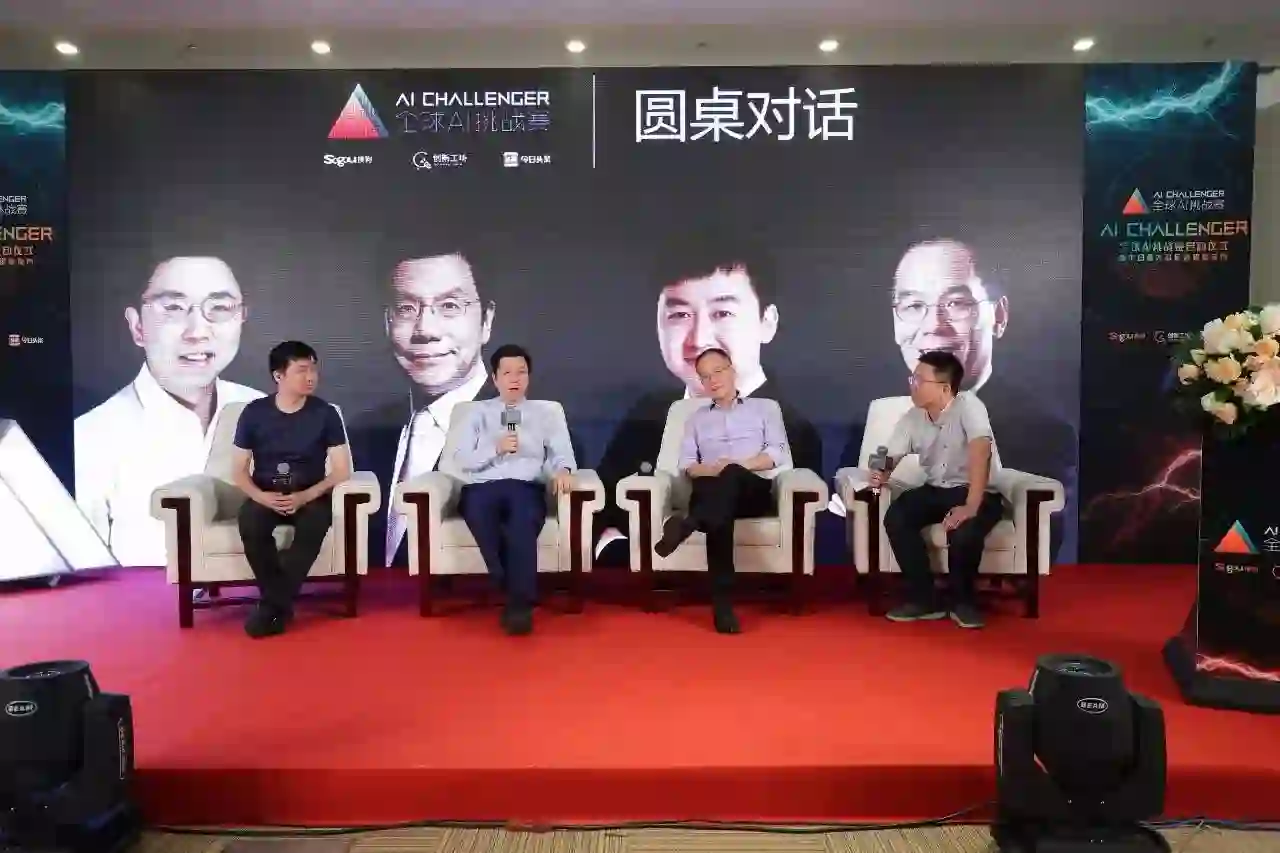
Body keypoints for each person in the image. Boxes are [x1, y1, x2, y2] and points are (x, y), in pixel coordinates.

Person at [595, 228, 819, 564]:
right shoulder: (649, 415)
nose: (699, 339)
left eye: (722, 313)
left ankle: (688, 526)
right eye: (680, 315)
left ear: (767, 321)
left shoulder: (793, 425)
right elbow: (604, 502)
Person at [884, 238, 1076, 560]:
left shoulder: (1042, 431)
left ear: (998, 316)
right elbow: (887, 457)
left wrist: (972, 503)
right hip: (932, 494)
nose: (933, 326)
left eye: (956, 304)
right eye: (914, 306)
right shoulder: (891, 417)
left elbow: (1041, 538)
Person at [74, 257, 263, 567]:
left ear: (241, 318)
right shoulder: (87, 440)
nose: (198, 332)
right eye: (174, 308)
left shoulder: (270, 414)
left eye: (219, 307)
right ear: (137, 326)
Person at [349, 241, 497, 568]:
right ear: (387, 322)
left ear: (486, 321)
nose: (425, 330)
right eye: (406, 308)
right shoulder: (361, 435)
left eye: (450, 306)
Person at [652, 348, 791, 635]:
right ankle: (723, 608)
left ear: (732, 370)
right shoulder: (695, 419)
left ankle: (689, 524)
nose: (713, 380)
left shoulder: (764, 409)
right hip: (712, 488)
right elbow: (688, 466)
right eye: (705, 377)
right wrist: (714, 470)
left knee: (730, 477)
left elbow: (777, 453)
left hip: (751, 489)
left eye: (718, 371)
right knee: (718, 510)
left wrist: (737, 466)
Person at [871, 349, 1004, 630]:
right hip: (936, 489)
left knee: (965, 530)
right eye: (912, 379)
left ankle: (963, 602)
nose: (912, 385)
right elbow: (890, 455)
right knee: (897, 517)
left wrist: (971, 505)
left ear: (945, 388)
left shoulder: (969, 405)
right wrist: (881, 473)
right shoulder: (912, 417)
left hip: (977, 491)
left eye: (919, 380)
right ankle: (924, 599)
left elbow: (981, 450)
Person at [451, 344, 576, 636]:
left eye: (521, 372)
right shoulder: (477, 413)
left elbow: (562, 452)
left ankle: (518, 605)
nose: (515, 379)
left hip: (525, 487)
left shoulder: (545, 414)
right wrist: (494, 448)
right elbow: (461, 459)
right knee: (480, 512)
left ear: (529, 376)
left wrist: (564, 471)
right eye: (507, 373)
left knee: (523, 522)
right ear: (495, 378)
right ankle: (510, 583)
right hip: (483, 486)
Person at [231, 341, 351, 639]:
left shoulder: (325, 414)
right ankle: (279, 605)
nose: (311, 377)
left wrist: (305, 496)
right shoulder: (253, 413)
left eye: (313, 370)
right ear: (278, 375)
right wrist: (261, 497)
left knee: (313, 525)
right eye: (301, 370)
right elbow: (238, 470)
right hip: (266, 493)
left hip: (309, 493)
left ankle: (271, 606)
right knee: (251, 522)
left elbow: (341, 470)